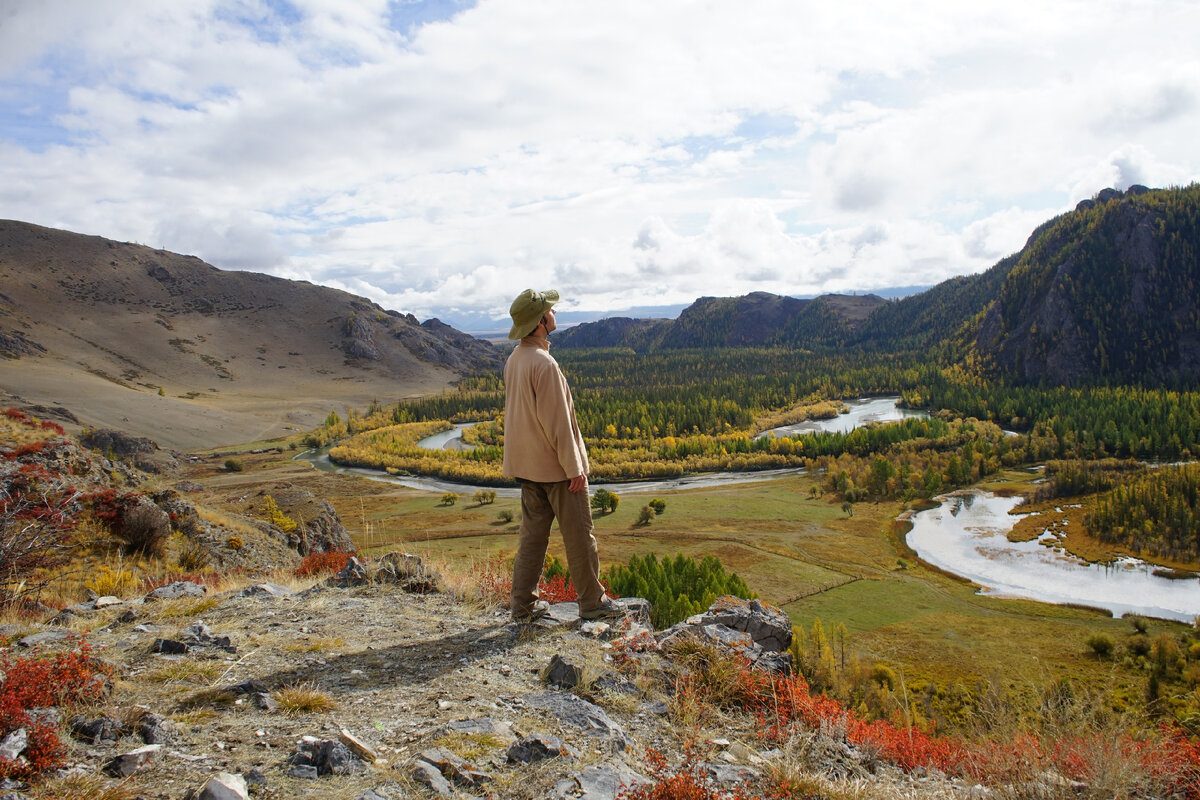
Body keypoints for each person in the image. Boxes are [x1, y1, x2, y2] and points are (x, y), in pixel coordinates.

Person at [502, 288, 623, 623]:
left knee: (532, 540)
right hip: (557, 471)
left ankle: (523, 606)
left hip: (527, 470)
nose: (555, 312)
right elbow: (557, 423)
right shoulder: (545, 364)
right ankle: (592, 603)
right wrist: (574, 468)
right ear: (541, 322)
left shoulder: (515, 359)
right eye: (550, 310)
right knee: (581, 538)